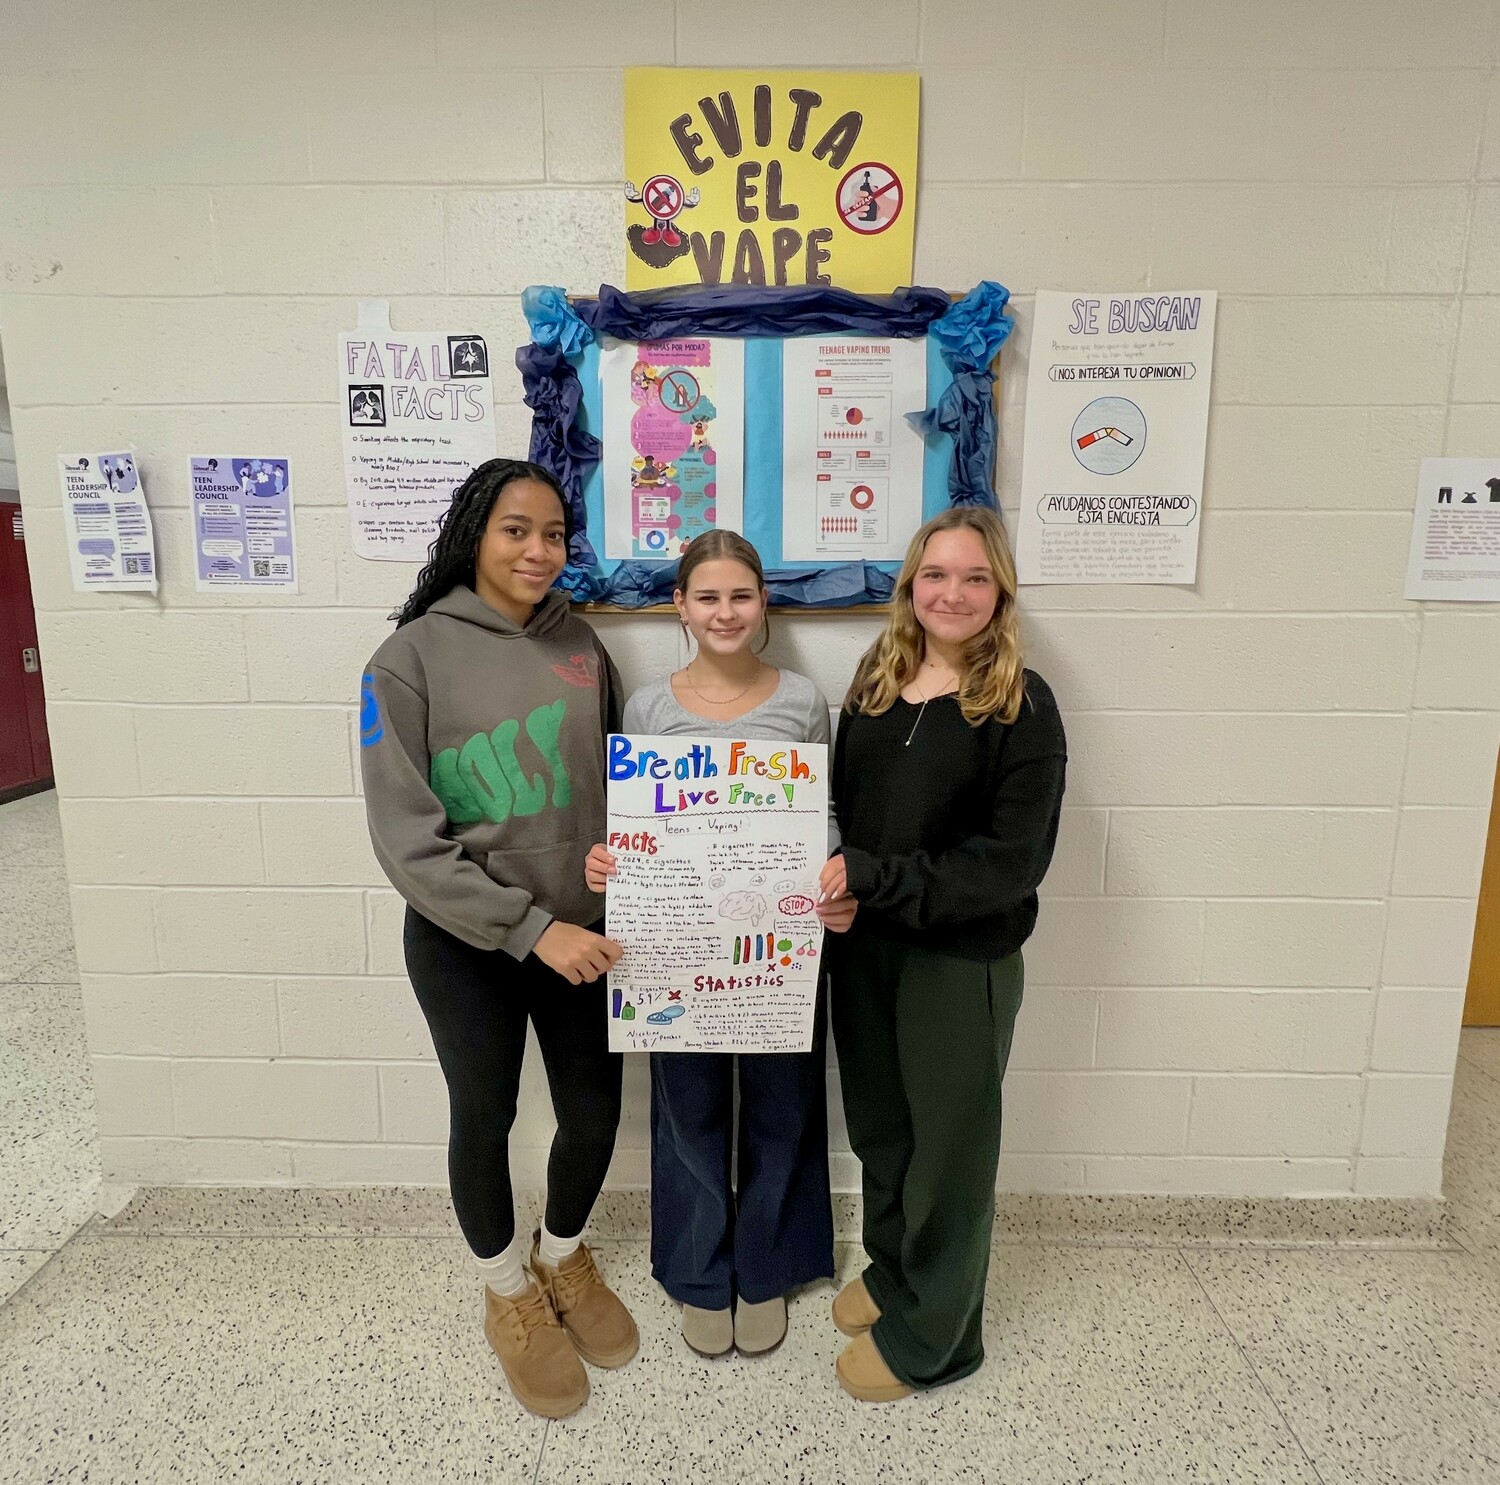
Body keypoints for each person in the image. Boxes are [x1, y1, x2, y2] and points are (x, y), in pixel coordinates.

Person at [359, 458, 638, 1420]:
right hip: (467, 941)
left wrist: (618, 867)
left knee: (595, 1116)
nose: (538, 549)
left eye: (555, 533)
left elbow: (618, 786)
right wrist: (529, 928)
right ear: (475, 532)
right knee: (484, 1119)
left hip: (584, 937)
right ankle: (508, 1292)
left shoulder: (585, 647)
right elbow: (406, 841)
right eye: (516, 528)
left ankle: (560, 1257)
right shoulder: (407, 659)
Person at [817, 505, 1067, 1403]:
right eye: (935, 575)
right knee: (884, 1132)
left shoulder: (1021, 703)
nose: (951, 593)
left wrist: (875, 877)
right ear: (910, 586)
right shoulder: (876, 681)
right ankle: (894, 1276)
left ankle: (937, 1338)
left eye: (972, 577)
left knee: (950, 1153)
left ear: (999, 589)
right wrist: (842, 891)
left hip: (961, 964)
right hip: (867, 954)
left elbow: (1010, 862)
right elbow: (841, 813)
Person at [585, 530, 850, 1360]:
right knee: (687, 1109)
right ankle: (700, 1269)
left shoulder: (804, 699)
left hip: (777, 945)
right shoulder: (648, 708)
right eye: (708, 596)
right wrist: (609, 859)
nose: (725, 611)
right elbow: (636, 823)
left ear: (764, 602)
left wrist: (837, 874)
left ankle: (767, 1265)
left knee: (782, 1105)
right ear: (681, 606)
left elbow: (822, 812)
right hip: (676, 949)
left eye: (741, 595)